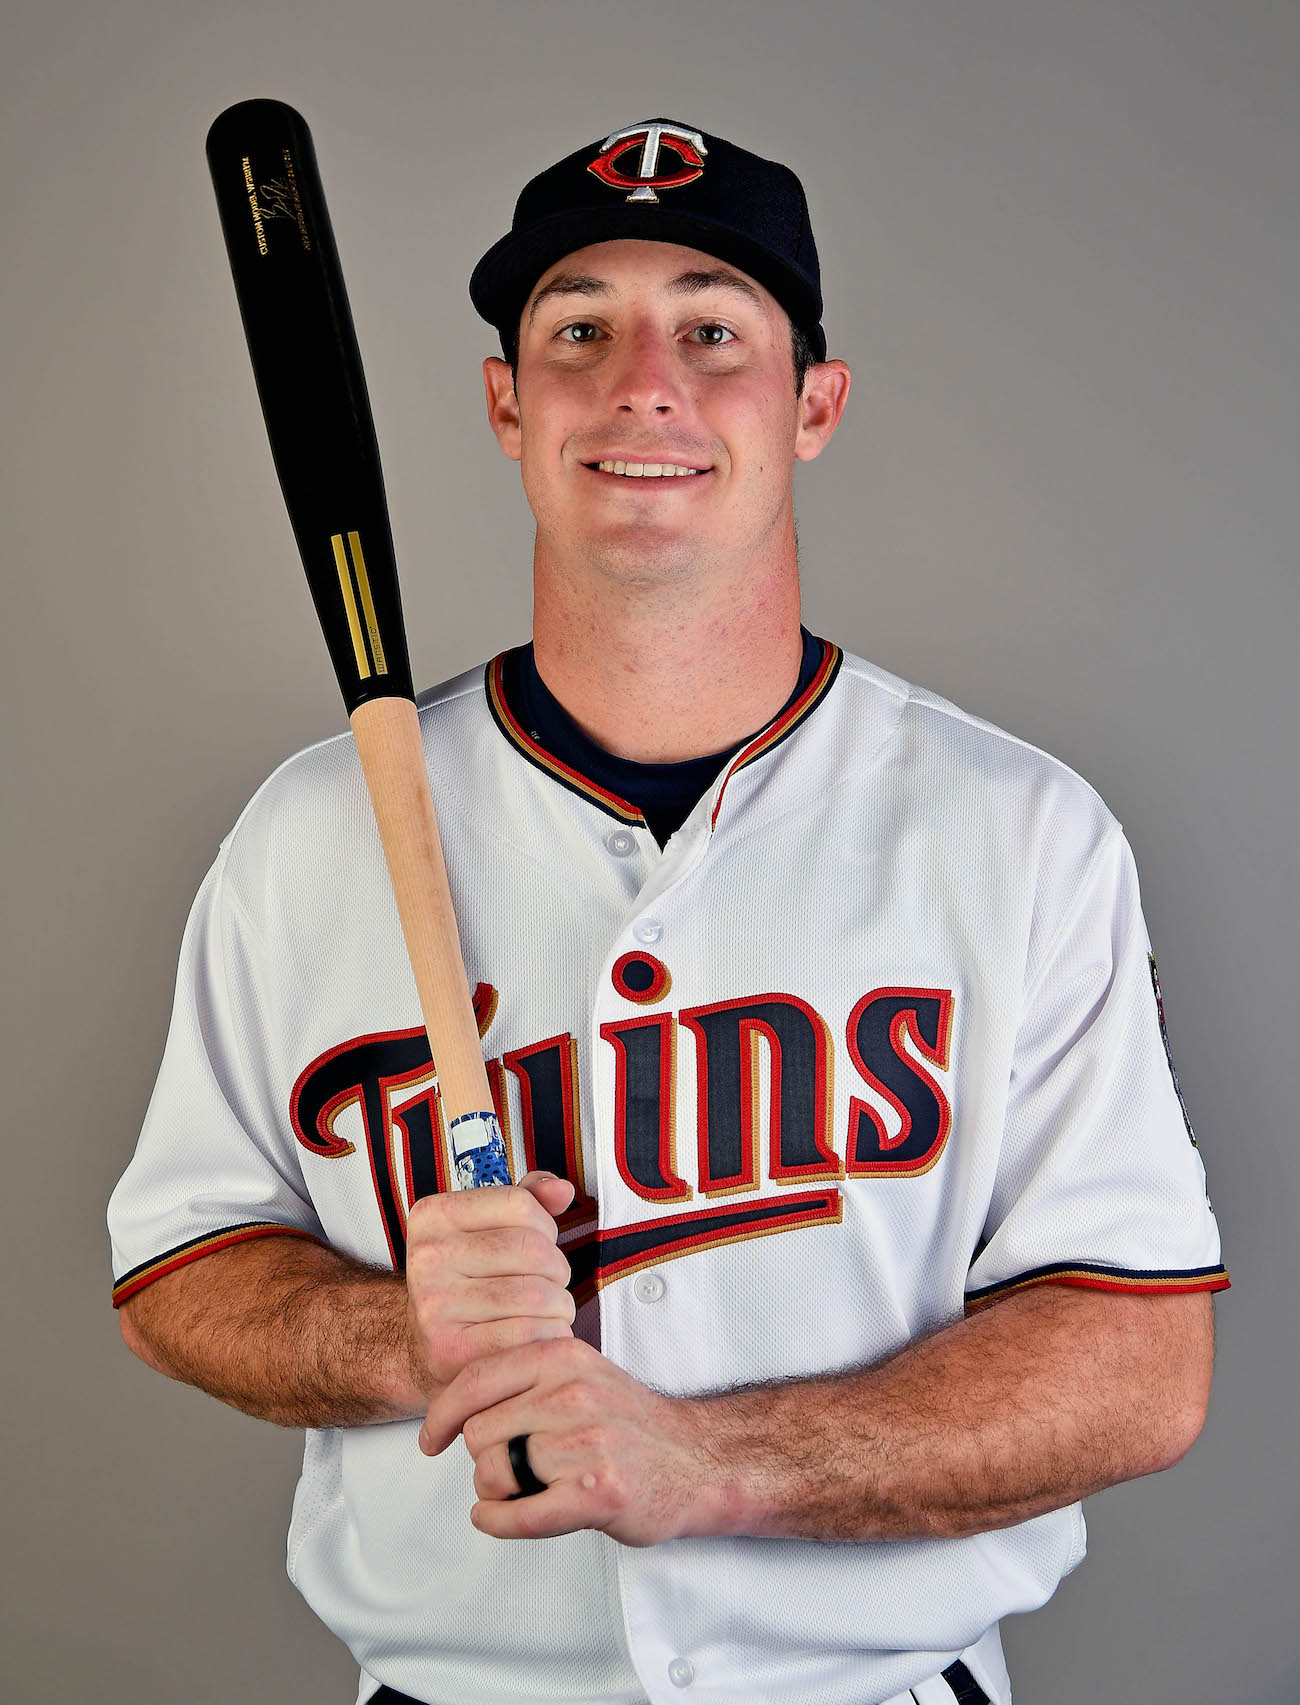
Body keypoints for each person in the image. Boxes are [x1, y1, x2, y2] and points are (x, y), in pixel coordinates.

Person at [108, 116, 1229, 1705]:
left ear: (813, 405)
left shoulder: (1020, 832)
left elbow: (1138, 1362)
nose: (645, 383)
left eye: (713, 331)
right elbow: (182, 1265)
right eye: (580, 330)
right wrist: (394, 1334)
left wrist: (715, 1463)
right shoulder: (311, 833)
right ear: (507, 401)